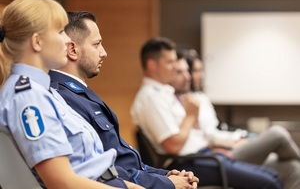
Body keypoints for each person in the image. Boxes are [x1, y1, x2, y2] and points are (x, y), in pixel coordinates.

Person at [0, 0, 144, 189]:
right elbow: (62, 182)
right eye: (60, 32)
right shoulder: (28, 97)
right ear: (37, 42)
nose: (68, 40)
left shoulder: (43, 91)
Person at [49, 11, 199, 189]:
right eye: (96, 44)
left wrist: (165, 175)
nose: (104, 53)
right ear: (73, 50)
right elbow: (100, 169)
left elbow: (125, 161)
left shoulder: (78, 93)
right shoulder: (63, 98)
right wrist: (166, 183)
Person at [130, 37, 285, 189]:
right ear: (151, 65)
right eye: (170, 62)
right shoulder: (151, 97)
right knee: (269, 182)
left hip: (204, 156)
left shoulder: (164, 94)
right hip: (190, 162)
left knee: (274, 176)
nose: (174, 67)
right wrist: (190, 115)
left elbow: (193, 134)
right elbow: (173, 146)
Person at [176, 48, 300, 189]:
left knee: (293, 167)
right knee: (278, 133)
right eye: (196, 71)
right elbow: (205, 136)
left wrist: (237, 137)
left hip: (219, 148)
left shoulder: (200, 98)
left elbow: (212, 131)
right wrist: (232, 142)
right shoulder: (186, 103)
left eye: (200, 70)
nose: (200, 75)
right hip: (215, 153)